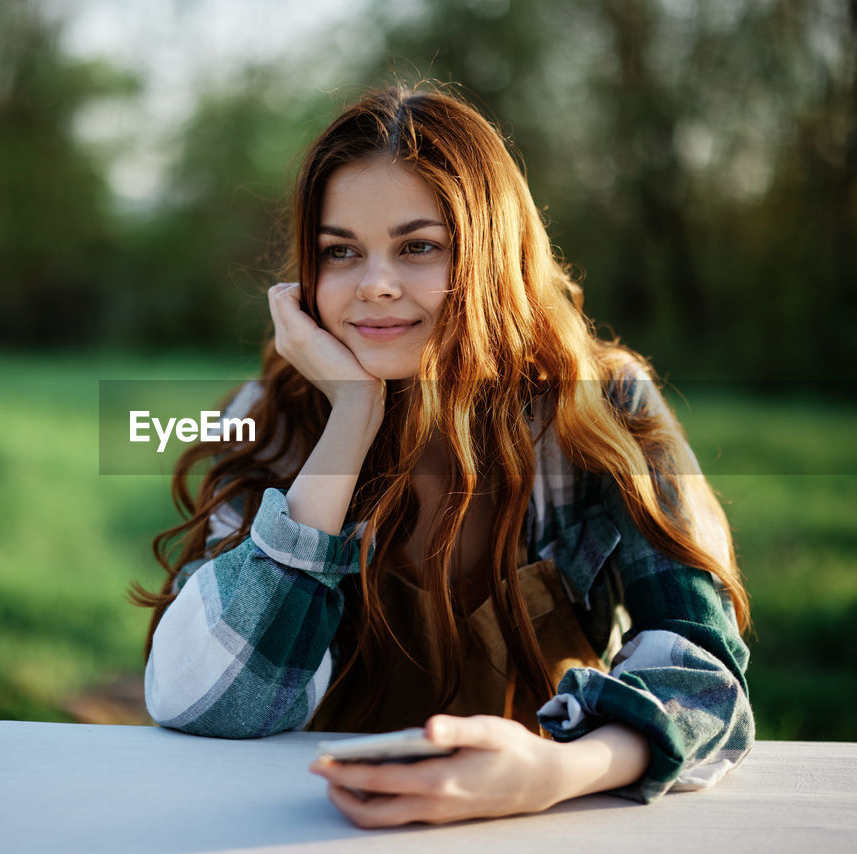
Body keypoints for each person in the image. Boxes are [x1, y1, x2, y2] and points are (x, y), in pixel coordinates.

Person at [133, 83, 753, 828]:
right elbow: (206, 702)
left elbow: (703, 671)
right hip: (302, 826)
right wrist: (351, 418)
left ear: (491, 254)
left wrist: (555, 770)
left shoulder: (604, 406)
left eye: (418, 246)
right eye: (341, 252)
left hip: (545, 827)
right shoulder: (271, 418)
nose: (376, 286)